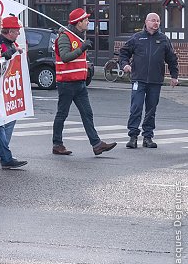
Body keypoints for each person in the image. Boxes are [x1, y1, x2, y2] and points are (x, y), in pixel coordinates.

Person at [52, 8, 117, 156]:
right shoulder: (65, 37)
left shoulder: (77, 36)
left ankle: (97, 144)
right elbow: (65, 57)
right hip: (67, 83)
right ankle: (57, 144)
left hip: (79, 83)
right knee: (62, 114)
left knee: (87, 114)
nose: (88, 22)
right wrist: (82, 48)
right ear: (78, 22)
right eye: (85, 20)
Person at [119, 12, 179, 148]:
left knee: (151, 110)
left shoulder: (163, 39)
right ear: (146, 22)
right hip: (138, 80)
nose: (155, 23)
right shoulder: (137, 38)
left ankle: (148, 137)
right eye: (153, 20)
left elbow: (172, 59)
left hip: (155, 81)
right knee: (136, 107)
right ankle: (133, 137)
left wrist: (174, 76)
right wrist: (125, 65)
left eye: (158, 21)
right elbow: (124, 53)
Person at [0, 16, 28, 169]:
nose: (18, 34)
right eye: (17, 31)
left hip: (8, 87)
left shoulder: (10, 43)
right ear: (9, 31)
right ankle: (3, 153)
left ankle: (0, 150)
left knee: (10, 118)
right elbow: (0, 60)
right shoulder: (2, 44)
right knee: (1, 121)